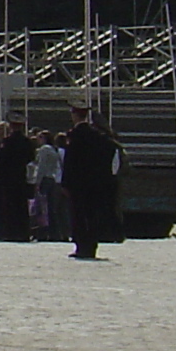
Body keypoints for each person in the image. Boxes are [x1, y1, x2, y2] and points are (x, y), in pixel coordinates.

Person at [60, 105, 118, 260]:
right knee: (92, 215)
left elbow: (70, 162)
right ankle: (91, 245)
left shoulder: (74, 135)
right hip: (94, 183)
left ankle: (81, 245)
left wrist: (65, 183)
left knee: (78, 214)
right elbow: (110, 149)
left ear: (74, 115)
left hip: (77, 184)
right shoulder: (98, 136)